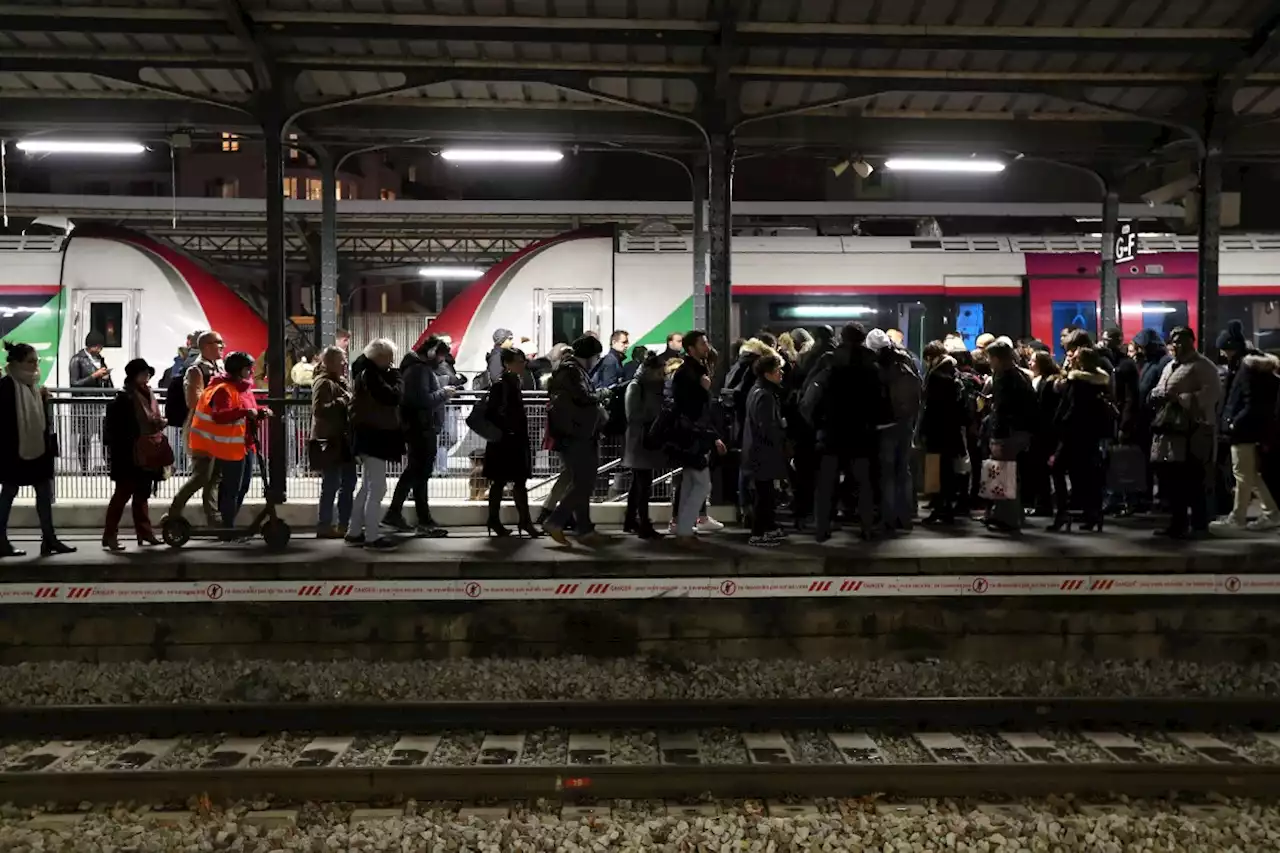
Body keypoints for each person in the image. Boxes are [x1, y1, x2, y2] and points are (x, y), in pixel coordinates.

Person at [0, 342, 73, 558]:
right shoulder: (6, 386)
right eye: (30, 361)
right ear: (17, 363)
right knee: (9, 492)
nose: (35, 366)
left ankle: (49, 538)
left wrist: (41, 399)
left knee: (42, 491)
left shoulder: (32, 385)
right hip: (14, 450)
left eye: (36, 361)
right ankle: (1, 540)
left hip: (37, 448)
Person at [813, 323, 885, 541]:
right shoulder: (872, 365)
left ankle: (822, 528)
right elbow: (880, 402)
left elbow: (813, 395)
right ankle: (866, 527)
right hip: (861, 434)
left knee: (826, 484)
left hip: (832, 431)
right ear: (863, 338)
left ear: (842, 337)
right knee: (864, 484)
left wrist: (818, 423)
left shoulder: (829, 361)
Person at [1150, 327, 1221, 538]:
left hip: (1195, 430)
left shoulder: (1203, 366)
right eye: (1174, 341)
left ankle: (1200, 524)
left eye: (1181, 341)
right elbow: (1160, 388)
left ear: (1192, 341)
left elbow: (1212, 393)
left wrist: (1182, 398)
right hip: (1172, 432)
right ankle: (1177, 523)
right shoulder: (1170, 366)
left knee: (1195, 478)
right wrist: (1158, 394)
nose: (1177, 345)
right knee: (1174, 480)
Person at [190, 351, 270, 535]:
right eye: (247, 369)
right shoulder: (224, 389)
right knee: (231, 488)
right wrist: (245, 413)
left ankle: (229, 524)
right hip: (230, 445)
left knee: (242, 485)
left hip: (244, 442)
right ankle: (227, 528)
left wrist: (260, 411)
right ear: (239, 370)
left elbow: (247, 407)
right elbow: (220, 415)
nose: (251, 372)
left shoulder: (243, 388)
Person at [385, 336, 456, 537]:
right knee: (418, 472)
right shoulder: (419, 370)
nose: (442, 361)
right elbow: (421, 400)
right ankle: (412, 516)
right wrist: (444, 393)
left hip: (418, 427)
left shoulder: (415, 369)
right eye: (441, 356)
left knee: (417, 472)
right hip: (421, 428)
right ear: (433, 353)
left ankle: (410, 515)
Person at [1213, 324, 1280, 532]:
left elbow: (1249, 402)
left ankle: (1239, 517)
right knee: (1249, 474)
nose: (1223, 353)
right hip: (1249, 429)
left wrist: (1234, 422)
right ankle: (1271, 513)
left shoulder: (1246, 368)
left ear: (1232, 347)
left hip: (1244, 430)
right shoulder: (1249, 365)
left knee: (1242, 474)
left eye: (1224, 349)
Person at [544, 335, 610, 547]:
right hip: (577, 434)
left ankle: (584, 529)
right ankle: (555, 521)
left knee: (582, 482)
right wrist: (603, 393)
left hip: (578, 433)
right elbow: (583, 397)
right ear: (591, 355)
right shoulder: (572, 371)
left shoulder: (568, 369)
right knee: (584, 482)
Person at [102, 358, 167, 551]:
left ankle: (144, 532)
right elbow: (116, 430)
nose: (147, 377)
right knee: (123, 495)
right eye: (144, 374)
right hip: (129, 454)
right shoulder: (124, 398)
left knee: (141, 494)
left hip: (144, 452)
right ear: (134, 376)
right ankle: (110, 534)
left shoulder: (144, 394)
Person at [668, 330, 725, 543]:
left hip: (691, 435)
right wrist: (704, 390)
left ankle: (684, 528)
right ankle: (684, 530)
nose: (707, 346)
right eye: (703, 343)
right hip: (693, 436)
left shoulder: (691, 371)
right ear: (691, 348)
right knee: (701, 484)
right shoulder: (690, 373)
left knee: (693, 482)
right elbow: (694, 409)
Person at [1047, 346, 1112, 533]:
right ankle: (1094, 514)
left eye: (1074, 358)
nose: (1071, 360)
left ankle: (1063, 513)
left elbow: (1070, 409)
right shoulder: (1101, 381)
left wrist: (1059, 427)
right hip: (1091, 435)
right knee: (1088, 474)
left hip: (1072, 434)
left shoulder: (1077, 382)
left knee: (1058, 469)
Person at [347, 339, 404, 549]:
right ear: (379, 357)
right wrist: (397, 379)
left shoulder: (364, 373)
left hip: (365, 436)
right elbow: (392, 397)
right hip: (374, 436)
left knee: (366, 487)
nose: (392, 362)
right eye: (389, 358)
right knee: (378, 488)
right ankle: (371, 536)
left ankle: (354, 532)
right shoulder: (372, 376)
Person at [165, 330, 226, 527]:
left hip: (217, 430)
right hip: (201, 430)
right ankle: (173, 512)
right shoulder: (196, 370)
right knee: (201, 476)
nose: (223, 347)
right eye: (219, 343)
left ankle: (214, 518)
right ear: (206, 346)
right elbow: (193, 401)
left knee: (214, 477)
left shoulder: (219, 367)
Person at [482, 348, 540, 538]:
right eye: (518, 361)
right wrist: (510, 428)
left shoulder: (511, 382)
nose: (522, 364)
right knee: (508, 482)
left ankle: (506, 520)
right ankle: (521, 521)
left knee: (507, 482)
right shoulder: (504, 385)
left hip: (507, 440)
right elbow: (495, 412)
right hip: (508, 441)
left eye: (523, 360)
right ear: (507, 364)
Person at [983, 340, 1037, 532]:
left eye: (990, 358)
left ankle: (1009, 518)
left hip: (1007, 433)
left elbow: (1003, 409)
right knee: (1005, 474)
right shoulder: (1018, 376)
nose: (989, 361)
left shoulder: (1006, 378)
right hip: (1015, 432)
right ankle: (1005, 515)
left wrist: (996, 433)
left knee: (1004, 474)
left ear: (997, 358)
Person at [741, 353, 788, 547]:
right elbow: (767, 427)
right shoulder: (765, 395)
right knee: (764, 494)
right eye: (778, 370)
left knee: (765, 492)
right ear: (768, 373)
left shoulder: (756, 390)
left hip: (756, 450)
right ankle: (758, 533)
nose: (781, 373)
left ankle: (767, 529)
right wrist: (782, 430)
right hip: (764, 452)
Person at [919, 341, 968, 526]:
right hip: (951, 430)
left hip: (938, 430)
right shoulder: (951, 371)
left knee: (939, 470)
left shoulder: (937, 376)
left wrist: (923, 430)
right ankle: (945, 508)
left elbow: (931, 407)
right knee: (946, 471)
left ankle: (941, 508)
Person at [311, 346, 357, 538]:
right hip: (331, 440)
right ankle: (326, 525)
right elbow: (319, 410)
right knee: (332, 483)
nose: (345, 363)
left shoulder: (340, 381)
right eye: (341, 360)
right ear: (330, 362)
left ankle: (342, 524)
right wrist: (343, 400)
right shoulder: (323, 383)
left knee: (347, 482)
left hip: (342, 439)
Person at [623, 354, 667, 540]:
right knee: (643, 484)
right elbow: (633, 414)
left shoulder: (652, 387)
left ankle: (631, 520)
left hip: (645, 439)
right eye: (659, 371)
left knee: (639, 483)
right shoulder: (636, 386)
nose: (662, 375)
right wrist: (653, 416)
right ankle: (643, 524)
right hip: (640, 440)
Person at [69, 330, 114, 472]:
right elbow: (74, 383)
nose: (99, 349)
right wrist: (94, 376)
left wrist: (106, 380)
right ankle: (84, 469)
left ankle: (109, 466)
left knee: (105, 436)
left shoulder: (100, 359)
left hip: (101, 404)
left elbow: (108, 385)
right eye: (97, 346)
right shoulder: (77, 359)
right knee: (86, 437)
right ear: (90, 346)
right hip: (85, 405)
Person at [1025, 350, 1063, 518]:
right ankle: (1043, 503)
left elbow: (1043, 409)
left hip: (1044, 431)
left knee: (1042, 469)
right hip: (1045, 431)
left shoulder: (1046, 383)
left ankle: (1044, 504)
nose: (1030, 363)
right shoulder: (1043, 381)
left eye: (1033, 361)